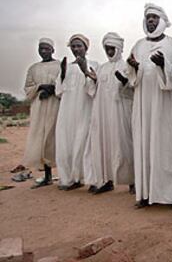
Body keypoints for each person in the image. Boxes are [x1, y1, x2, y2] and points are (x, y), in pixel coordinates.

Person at [128, 3, 172, 208]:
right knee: (144, 145)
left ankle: (170, 195)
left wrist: (162, 66)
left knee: (167, 146)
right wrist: (134, 68)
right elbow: (132, 77)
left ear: (161, 21)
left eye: (154, 18)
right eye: (148, 17)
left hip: (166, 105)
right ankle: (146, 194)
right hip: (143, 105)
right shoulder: (138, 45)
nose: (150, 21)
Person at [83, 32, 134, 194]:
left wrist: (125, 81)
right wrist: (93, 79)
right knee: (105, 145)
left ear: (118, 49)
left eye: (112, 49)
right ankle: (107, 181)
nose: (110, 52)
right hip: (103, 113)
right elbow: (93, 91)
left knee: (124, 144)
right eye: (107, 49)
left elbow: (133, 89)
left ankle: (132, 181)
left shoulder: (126, 66)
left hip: (121, 112)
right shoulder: (102, 68)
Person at [55, 34, 99, 191]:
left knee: (84, 142)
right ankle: (70, 179)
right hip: (67, 110)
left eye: (79, 46)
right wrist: (61, 73)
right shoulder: (66, 65)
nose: (76, 49)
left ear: (86, 47)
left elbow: (93, 90)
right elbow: (59, 91)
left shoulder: (94, 64)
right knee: (66, 142)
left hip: (84, 109)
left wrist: (85, 70)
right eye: (73, 46)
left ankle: (91, 179)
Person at [23, 38, 60, 189]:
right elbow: (28, 87)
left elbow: (63, 83)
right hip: (39, 108)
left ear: (52, 50)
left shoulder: (59, 66)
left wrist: (51, 90)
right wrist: (40, 87)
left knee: (55, 138)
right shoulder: (33, 68)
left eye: (46, 48)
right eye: (41, 49)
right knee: (41, 139)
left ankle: (67, 174)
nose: (43, 51)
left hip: (55, 106)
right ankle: (47, 176)